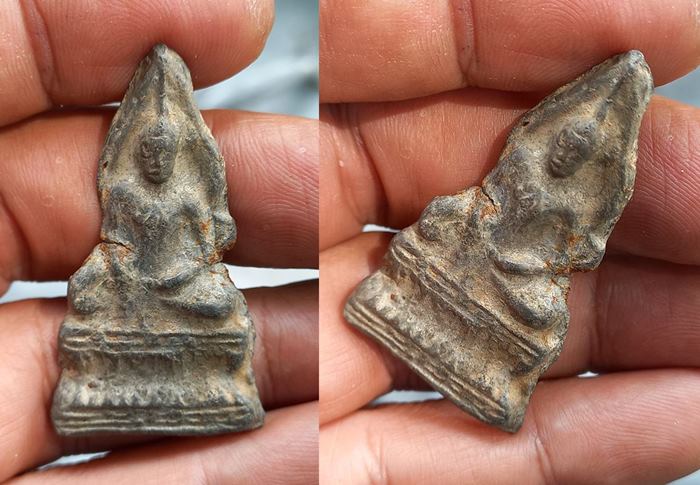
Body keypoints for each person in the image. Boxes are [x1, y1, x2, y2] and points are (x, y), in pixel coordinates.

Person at [319, 0, 700, 483]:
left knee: (542, 314)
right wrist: (470, 224)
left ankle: (486, 366)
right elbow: (486, 203)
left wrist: (535, 260)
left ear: (592, 161)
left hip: (517, 275)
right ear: (552, 136)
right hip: (476, 245)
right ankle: (401, 306)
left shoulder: (574, 203)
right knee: (437, 223)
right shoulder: (521, 162)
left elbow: (583, 251)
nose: (565, 153)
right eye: (564, 142)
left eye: (579, 151)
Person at [0, 1, 318, 482]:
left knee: (220, 308)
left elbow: (213, 242)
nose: (155, 161)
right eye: (147, 152)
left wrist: (209, 232)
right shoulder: (125, 192)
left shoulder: (188, 196)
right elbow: (115, 243)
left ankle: (187, 381)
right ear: (137, 153)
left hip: (179, 282)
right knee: (86, 296)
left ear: (175, 155)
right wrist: (119, 271)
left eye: (163, 153)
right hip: (132, 281)